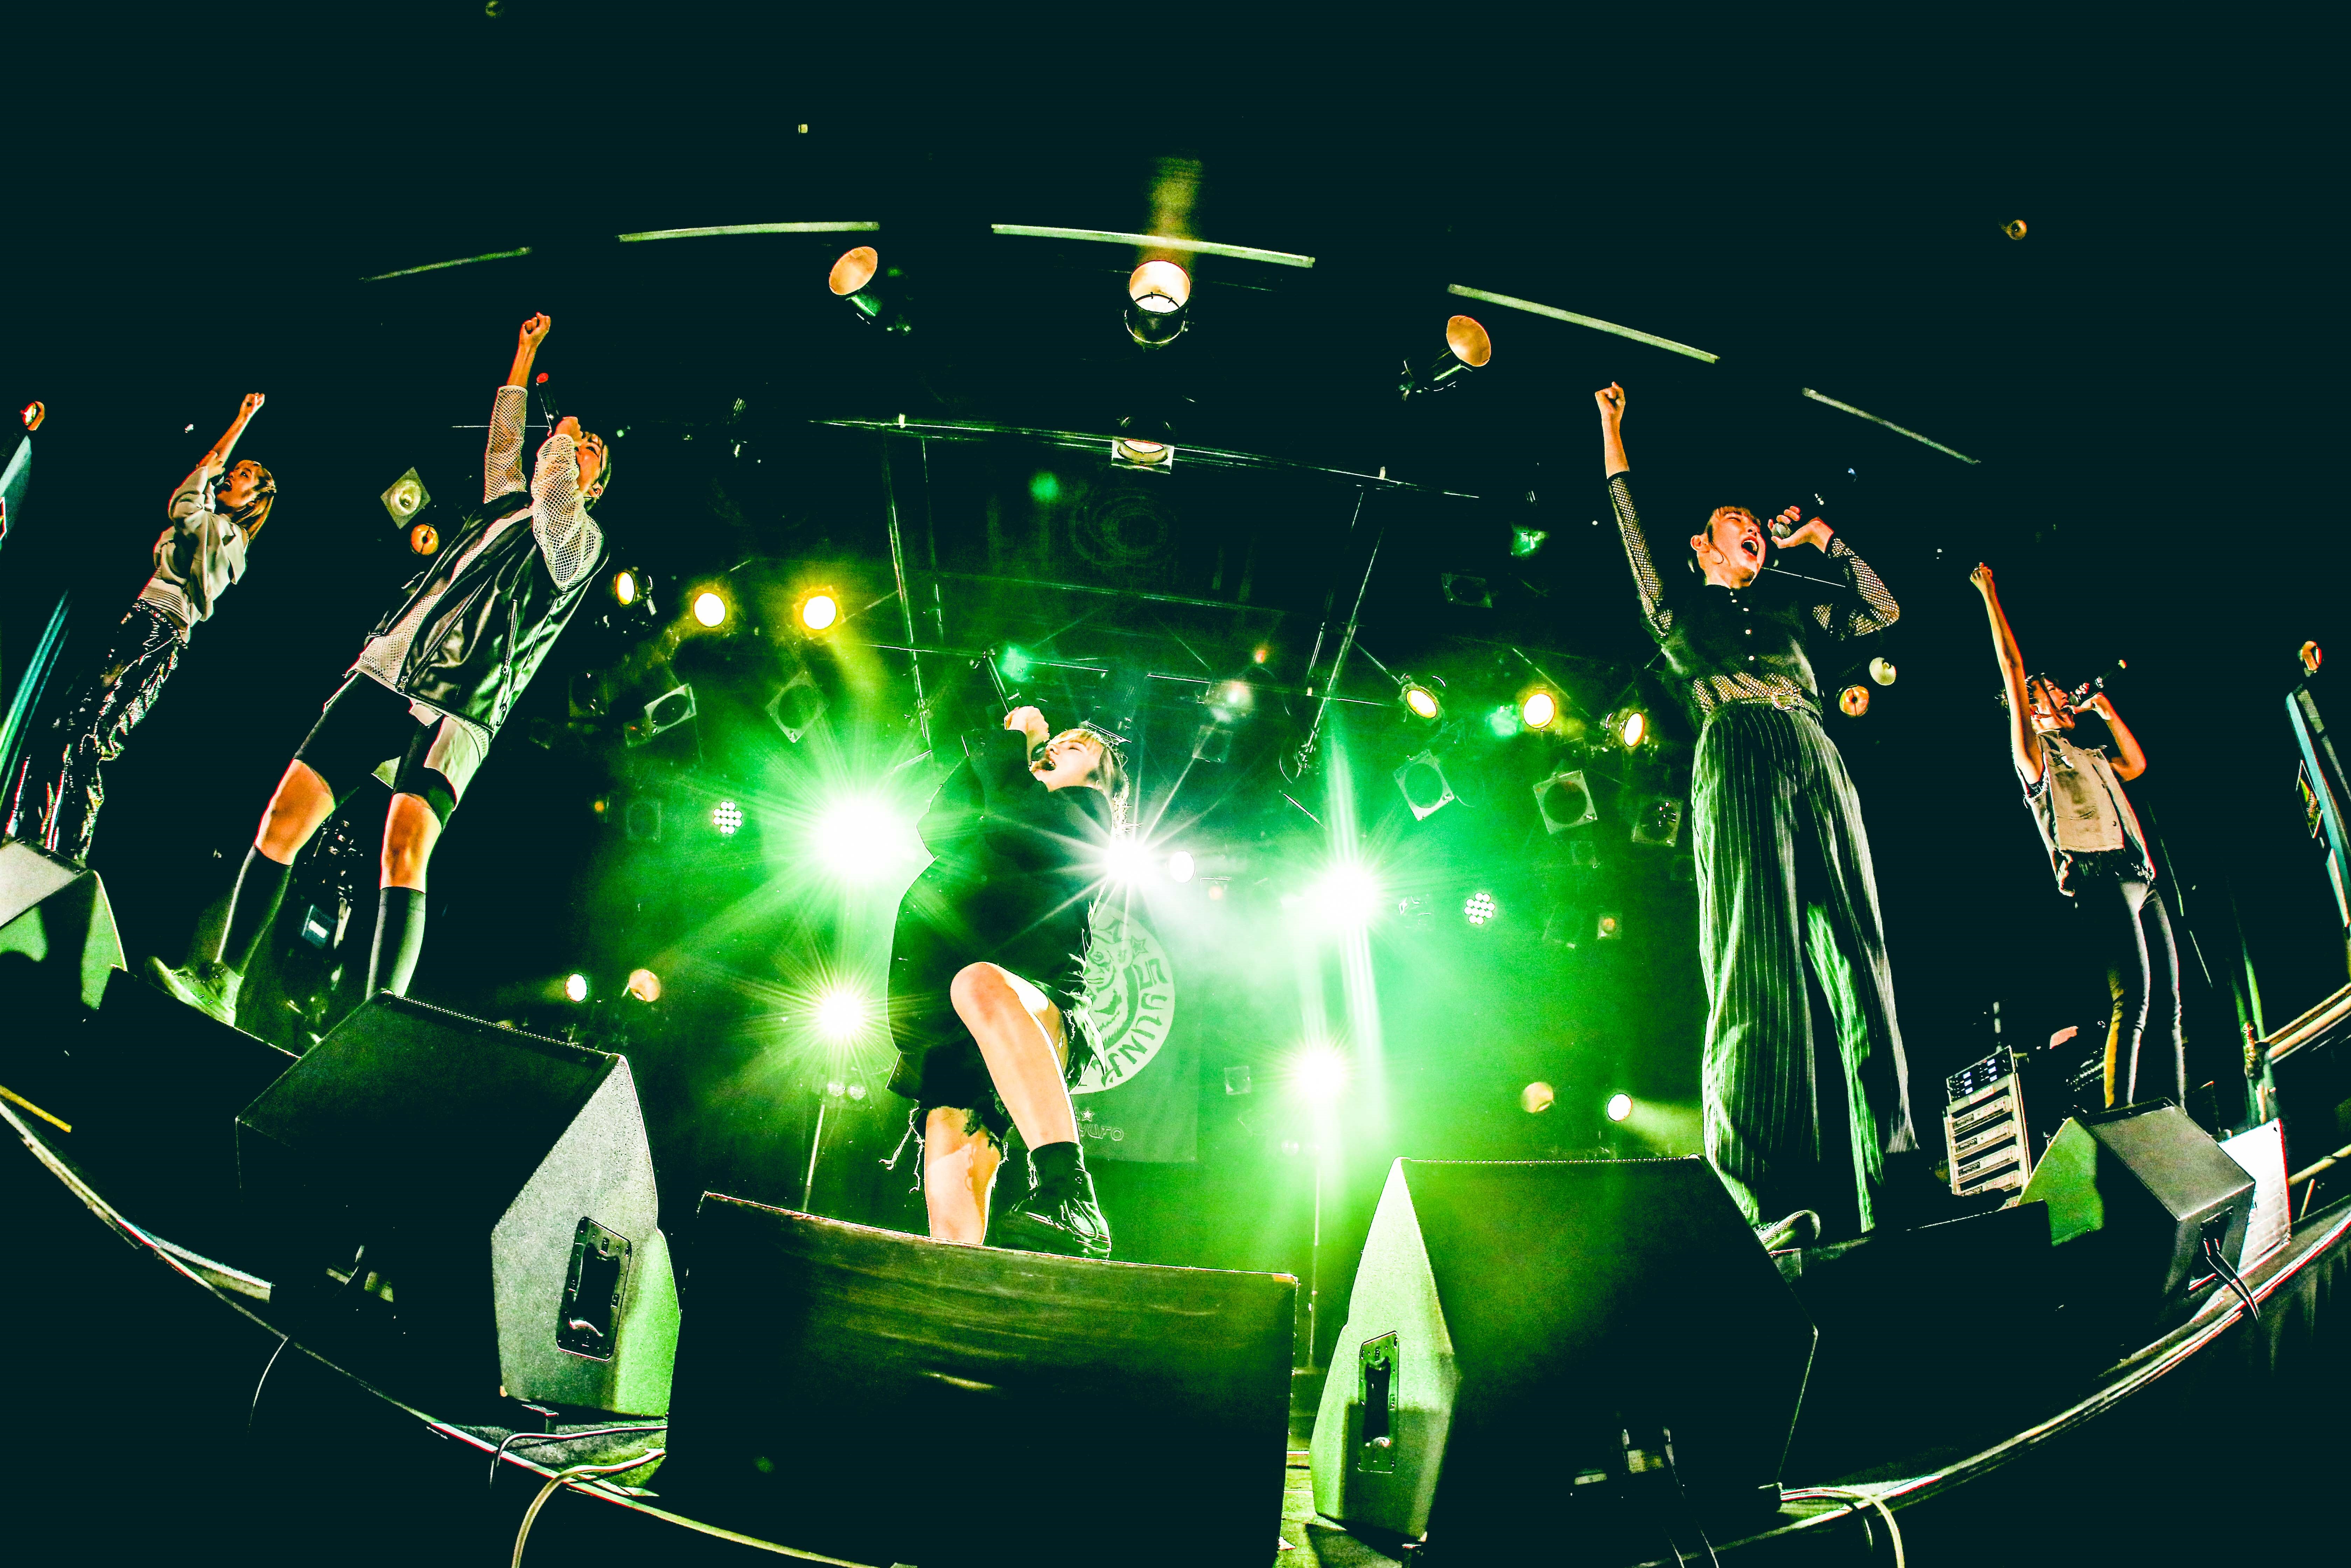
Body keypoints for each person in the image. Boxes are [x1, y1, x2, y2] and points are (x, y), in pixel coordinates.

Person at [151, 313, 607, 1026]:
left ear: (594, 486)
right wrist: (524, 354)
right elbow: (504, 443)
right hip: (388, 669)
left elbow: (553, 497)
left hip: (461, 699)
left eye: (593, 453)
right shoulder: (504, 504)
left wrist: (565, 442)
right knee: (284, 815)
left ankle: (372, 1031)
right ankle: (220, 980)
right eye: (579, 442)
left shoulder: (579, 542)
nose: (579, 448)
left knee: (404, 847)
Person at [1595, 381, 1916, 1243]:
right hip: (1733, 741)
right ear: (1703, 544)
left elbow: (1883, 609)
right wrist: (1612, 429)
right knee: (1754, 961)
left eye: (1756, 526)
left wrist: (1823, 538)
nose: (1753, 530)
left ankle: (1896, 1185)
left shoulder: (1792, 606)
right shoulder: (1676, 604)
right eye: (1733, 522)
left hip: (1813, 743)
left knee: (1862, 958)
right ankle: (1761, 1206)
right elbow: (1630, 532)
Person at [886, 704, 1127, 1257]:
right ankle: (953, 1282)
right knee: (948, 1147)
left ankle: (1070, 1194)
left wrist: (1021, 741)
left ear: (1101, 782)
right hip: (955, 1035)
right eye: (1052, 744)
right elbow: (939, 824)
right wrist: (1005, 753)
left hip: (1032, 1008)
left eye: (1073, 748)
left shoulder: (1086, 818)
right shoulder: (1002, 806)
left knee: (979, 984)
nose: (1054, 747)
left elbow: (1016, 815)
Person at [6, 394, 273, 861]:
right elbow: (200, 482)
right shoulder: (209, 522)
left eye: (247, 475)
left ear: (256, 501)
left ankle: (67, 855)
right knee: (62, 729)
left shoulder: (231, 539)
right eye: (238, 469)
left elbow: (187, 505)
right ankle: (25, 835)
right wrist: (238, 424)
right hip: (136, 622)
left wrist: (238, 426)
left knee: (90, 741)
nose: (234, 474)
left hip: (159, 633)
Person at [1971, 562, 2180, 1109]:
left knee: (2168, 1006)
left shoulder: (2089, 754)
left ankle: (2178, 1116)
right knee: (2133, 1001)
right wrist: (1989, 593)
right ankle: (2122, 1121)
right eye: (2051, 692)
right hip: (2096, 876)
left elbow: (2134, 765)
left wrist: (2106, 711)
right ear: (2032, 708)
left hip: (2138, 874)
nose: (2063, 694)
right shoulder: (2034, 756)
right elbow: (2012, 668)